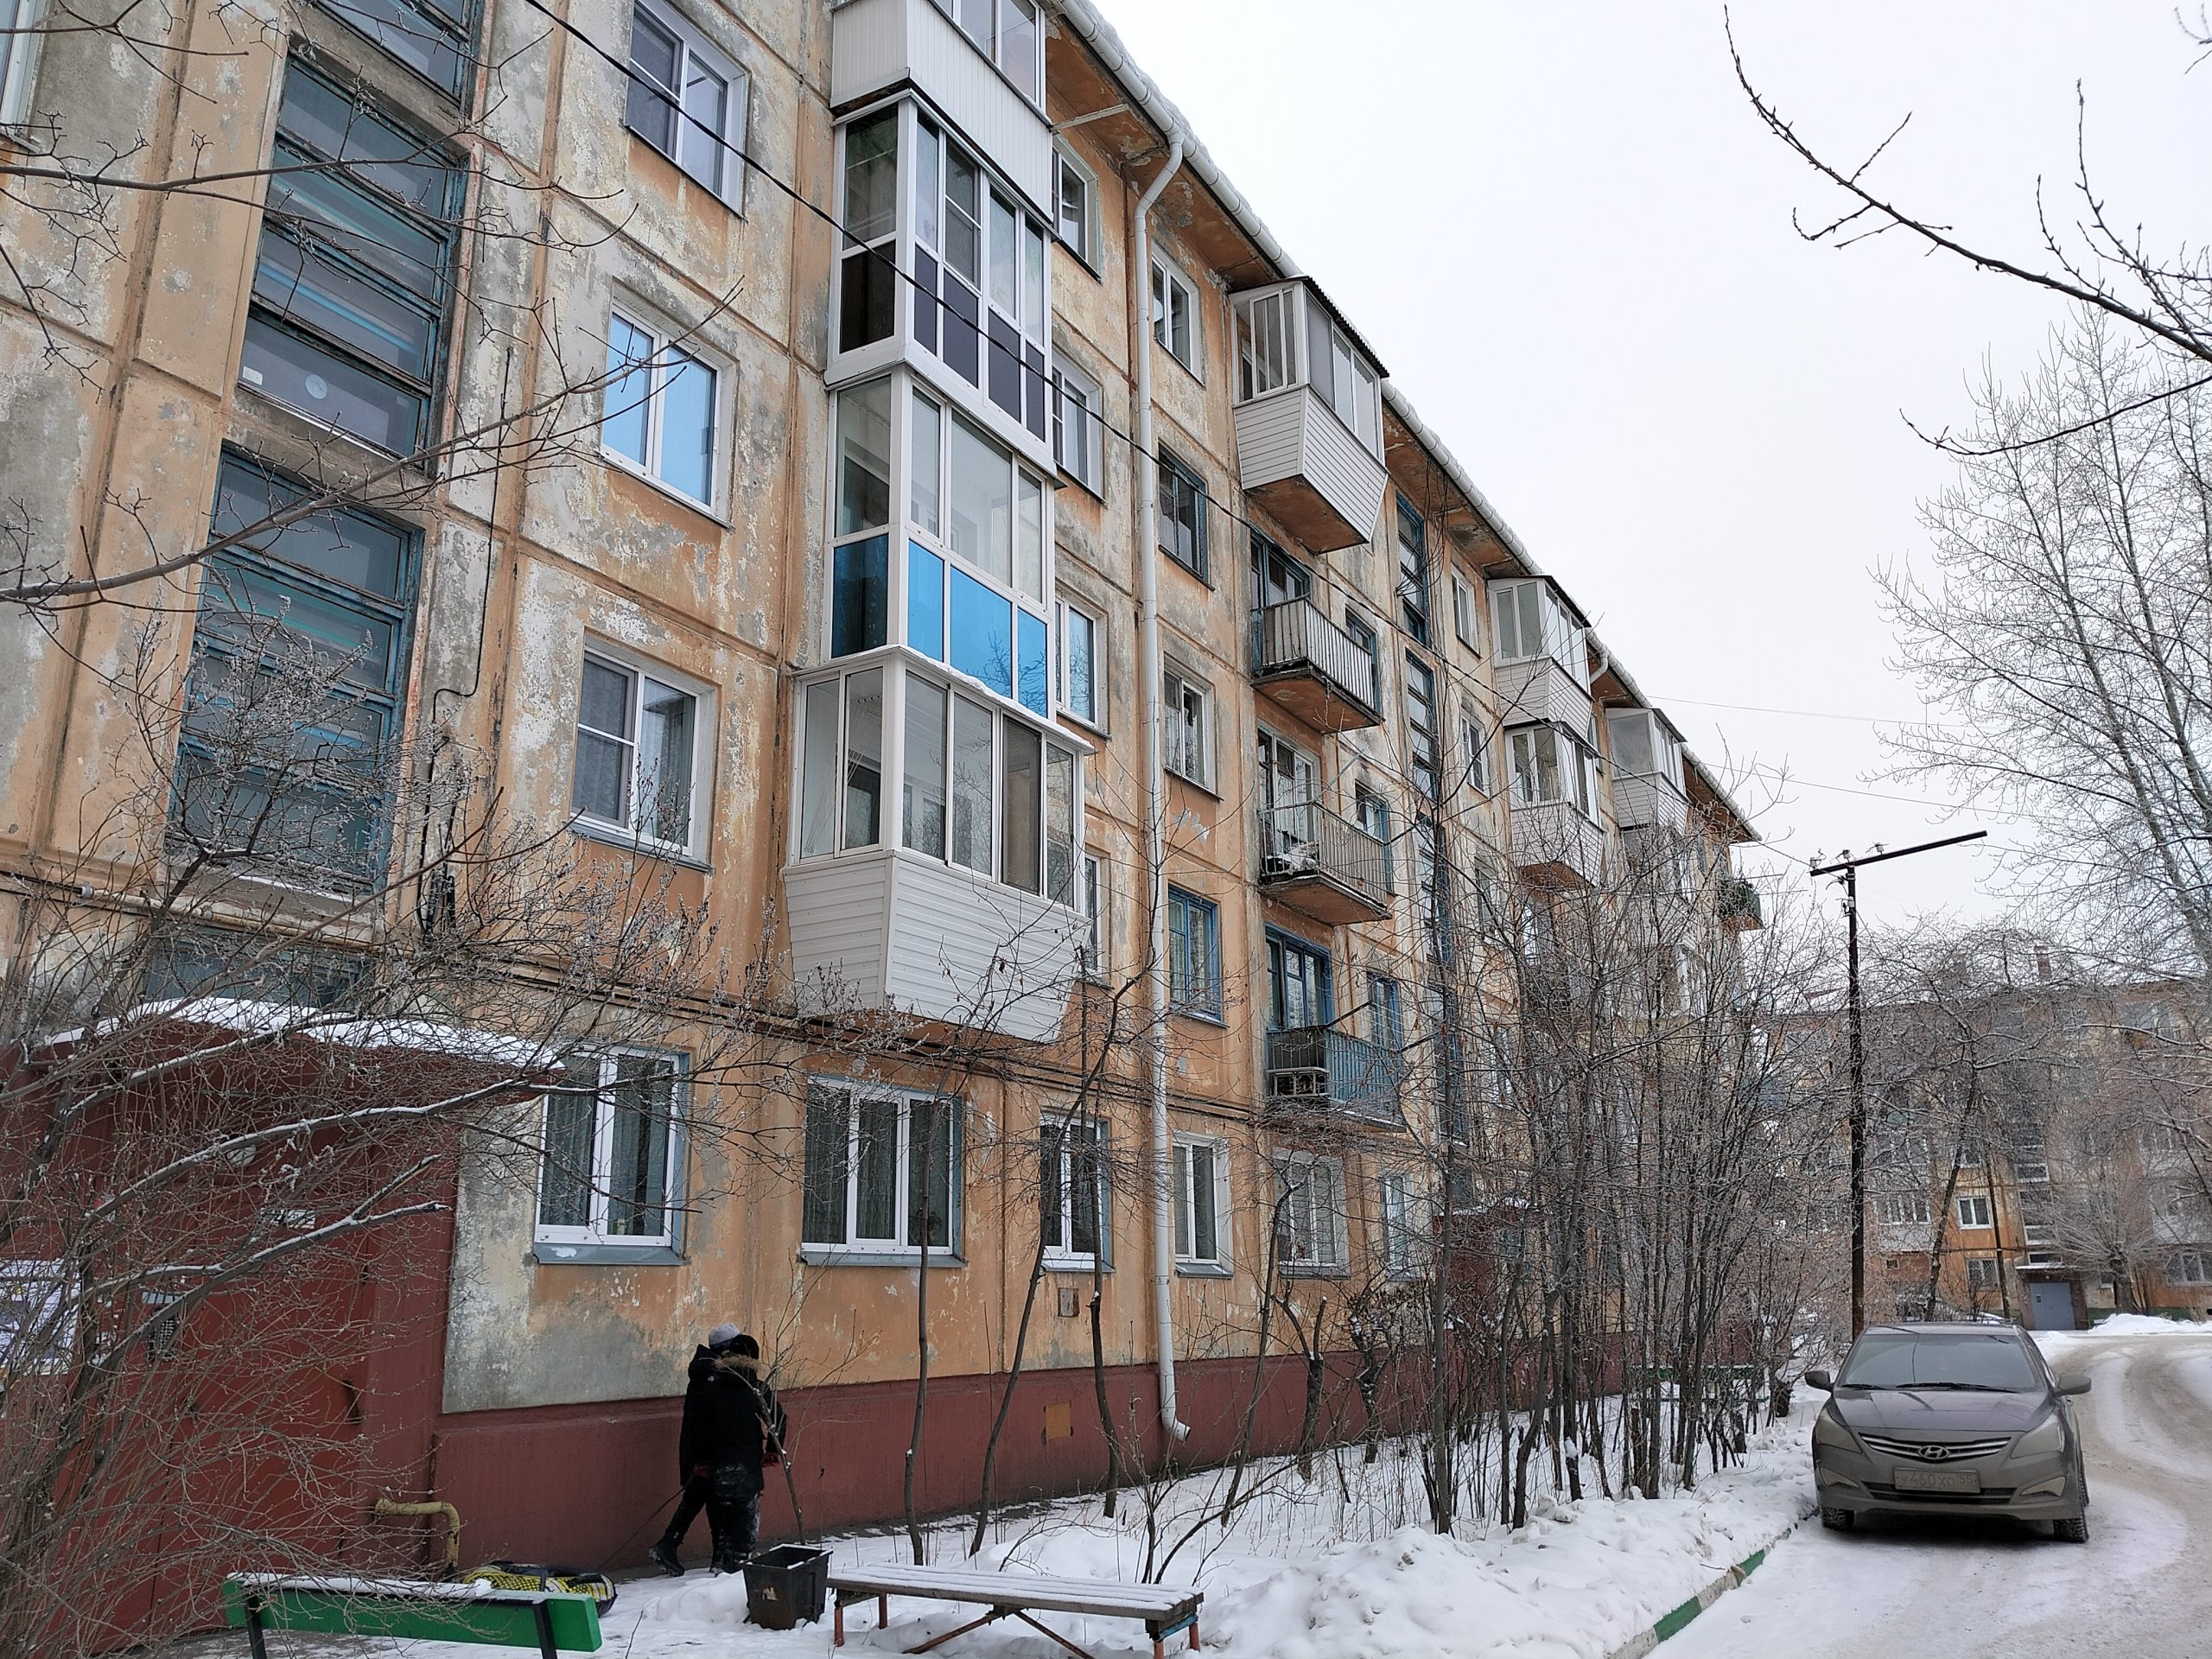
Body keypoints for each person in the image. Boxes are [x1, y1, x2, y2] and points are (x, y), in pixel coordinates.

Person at [649, 1323, 740, 1576]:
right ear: (727, 1348)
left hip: (699, 1452)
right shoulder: (713, 1376)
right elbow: (709, 1420)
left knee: (698, 1498)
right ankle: (718, 1559)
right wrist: (706, 1458)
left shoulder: (706, 1371)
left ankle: (670, 1546)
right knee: (715, 1503)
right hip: (707, 1454)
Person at [702, 1332, 787, 1573]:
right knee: (746, 1519)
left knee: (721, 1523)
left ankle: (719, 1564)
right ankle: (740, 1566)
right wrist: (773, 1450)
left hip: (719, 1465)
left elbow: (701, 1427)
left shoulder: (713, 1386)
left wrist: (702, 1460)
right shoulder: (757, 1389)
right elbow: (778, 1420)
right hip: (748, 1465)